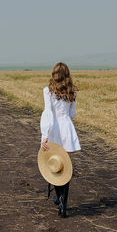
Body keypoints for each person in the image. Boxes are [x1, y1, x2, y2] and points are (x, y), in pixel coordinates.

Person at [40, 62, 81, 218]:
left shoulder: (47, 91)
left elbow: (48, 113)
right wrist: (65, 120)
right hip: (67, 130)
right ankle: (63, 206)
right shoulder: (72, 91)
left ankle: (58, 199)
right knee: (65, 167)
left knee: (55, 164)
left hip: (54, 131)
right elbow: (72, 114)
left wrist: (45, 135)